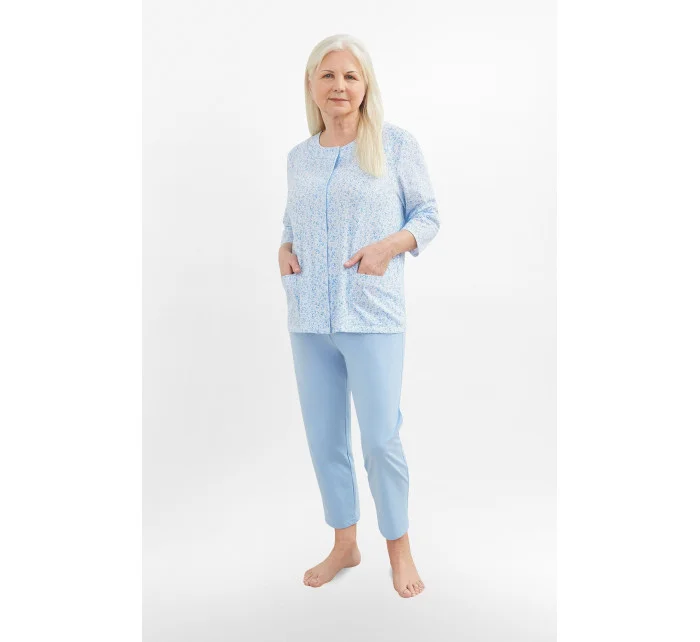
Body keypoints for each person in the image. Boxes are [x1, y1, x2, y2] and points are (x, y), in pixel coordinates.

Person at [278, 34, 440, 599]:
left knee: (379, 440)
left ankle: (400, 548)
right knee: (325, 439)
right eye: (328, 76)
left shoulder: (395, 145)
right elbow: (292, 220)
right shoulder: (299, 157)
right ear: (311, 86)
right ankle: (344, 543)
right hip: (308, 319)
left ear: (366, 85)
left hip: (371, 315)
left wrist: (388, 246)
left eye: (350, 76)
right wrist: (283, 246)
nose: (339, 86)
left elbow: (428, 215)